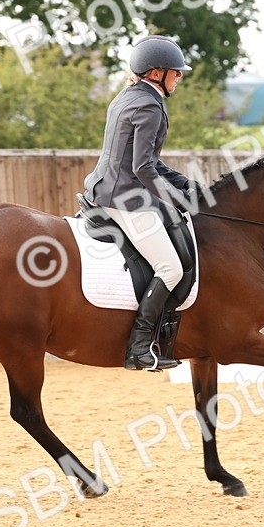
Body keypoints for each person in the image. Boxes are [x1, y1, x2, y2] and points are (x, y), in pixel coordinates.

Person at [83, 35, 204, 371]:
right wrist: (175, 199)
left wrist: (183, 183)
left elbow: (148, 160)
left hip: (106, 187)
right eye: (176, 72)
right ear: (156, 73)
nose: (179, 77)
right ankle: (139, 348)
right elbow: (142, 168)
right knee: (171, 268)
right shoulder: (150, 105)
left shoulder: (127, 97)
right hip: (123, 198)